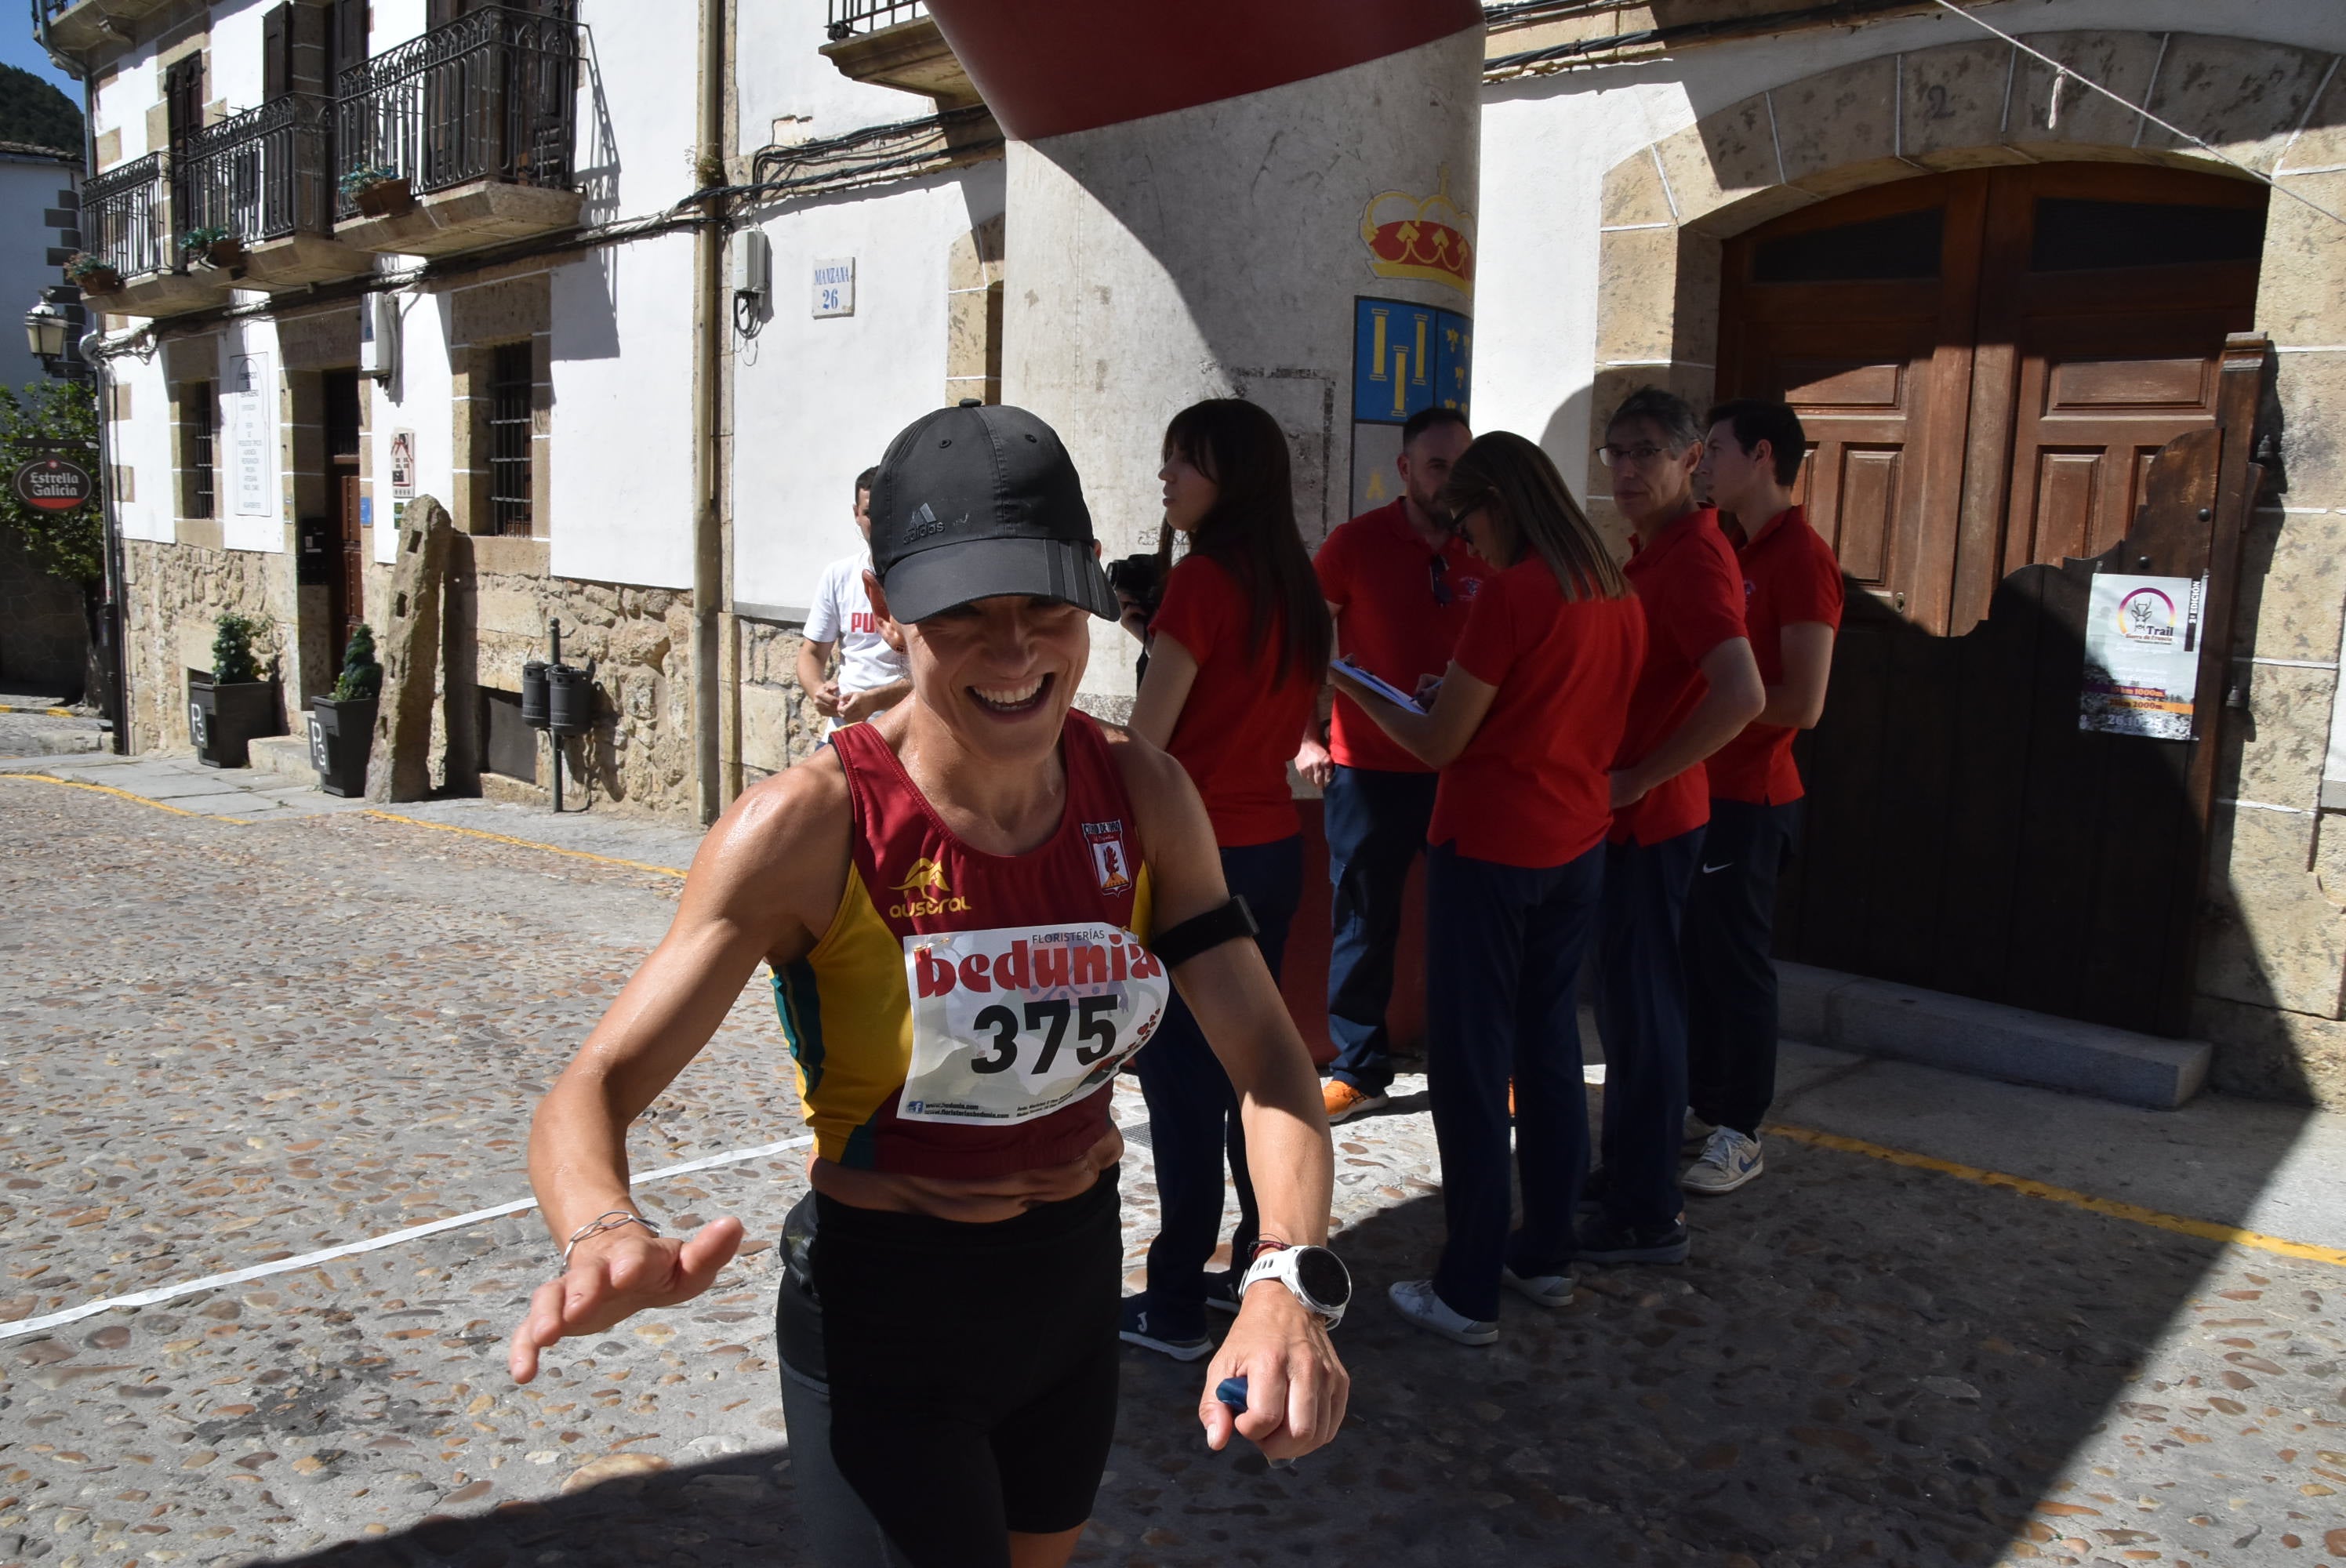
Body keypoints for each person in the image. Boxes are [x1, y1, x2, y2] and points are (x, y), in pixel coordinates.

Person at [507, 401, 1351, 1568]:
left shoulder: (1147, 796)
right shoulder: (806, 826)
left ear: (1093, 596)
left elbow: (1266, 1062)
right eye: (963, 613)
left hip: (1068, 1297)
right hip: (887, 1315)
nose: (1015, 653)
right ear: (890, 608)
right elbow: (590, 1089)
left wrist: (1282, 1276)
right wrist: (601, 1226)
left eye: (1048, 609)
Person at [1329, 433, 1644, 1345]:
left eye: (1467, 523)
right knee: (1546, 1052)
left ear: (1499, 504)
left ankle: (1465, 1285)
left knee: (1471, 1071)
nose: (1465, 544)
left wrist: (1356, 689)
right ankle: (1544, 1253)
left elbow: (1436, 744)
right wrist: (1446, 694)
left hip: (1490, 845)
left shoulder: (1514, 592)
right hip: (1573, 842)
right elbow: (1551, 702)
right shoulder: (1611, 587)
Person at [1116, 397, 1332, 1362]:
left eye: (1184, 463)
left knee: (1179, 1087)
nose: (1167, 479)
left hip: (1192, 859)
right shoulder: (1292, 581)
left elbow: (1149, 743)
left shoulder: (1201, 583)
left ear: (1229, 477)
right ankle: (1255, 1266)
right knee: (1257, 1073)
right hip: (1271, 847)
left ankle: (1168, 1301)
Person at [1582, 387, 1763, 1267]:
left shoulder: (1691, 558)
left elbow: (1743, 692)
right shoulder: (1651, 550)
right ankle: (1628, 1175)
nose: (1624, 467)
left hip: (1652, 823)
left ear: (1692, 461)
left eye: (1645, 451)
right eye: (1614, 451)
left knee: (1645, 1019)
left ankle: (1643, 1209)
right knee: (1630, 1015)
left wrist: (1635, 777)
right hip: (1634, 822)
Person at [1300, 405, 1494, 1123]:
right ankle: (1359, 1068)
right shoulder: (1356, 543)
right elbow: (1304, 636)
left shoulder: (1488, 543)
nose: (1451, 479)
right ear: (1406, 468)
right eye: (1437, 464)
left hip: (1466, 770)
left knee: (1473, 928)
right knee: (1363, 924)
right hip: (1369, 770)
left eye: (1460, 464)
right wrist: (1306, 734)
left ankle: (1482, 1064)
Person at [1680, 398, 1842, 1195]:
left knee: (1737, 965)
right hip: (1697, 787)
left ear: (1764, 456)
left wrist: (1703, 707)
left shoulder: (1801, 557)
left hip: (1751, 795)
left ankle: (1742, 1128)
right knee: (1694, 960)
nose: (1701, 463)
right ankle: (1704, 1102)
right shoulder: (1723, 546)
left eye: (1713, 449)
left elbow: (1801, 700)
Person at [798, 466, 912, 736]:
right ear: (856, 514)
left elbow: (937, 675)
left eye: (887, 513)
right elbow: (811, 653)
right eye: (870, 513)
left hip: (904, 733)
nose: (879, 522)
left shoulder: (923, 579)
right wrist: (817, 689)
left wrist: (876, 700)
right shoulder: (838, 575)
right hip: (844, 733)